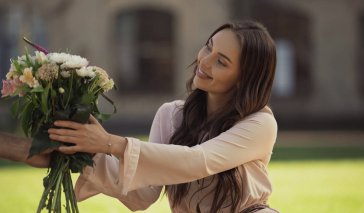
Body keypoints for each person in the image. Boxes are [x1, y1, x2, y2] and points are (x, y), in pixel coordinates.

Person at [2, 20, 279, 212]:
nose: (204, 61)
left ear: (244, 79)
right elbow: (142, 194)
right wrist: (80, 149)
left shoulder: (260, 124)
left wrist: (111, 143)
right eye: (209, 46)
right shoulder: (171, 116)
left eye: (222, 61)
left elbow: (199, 161)